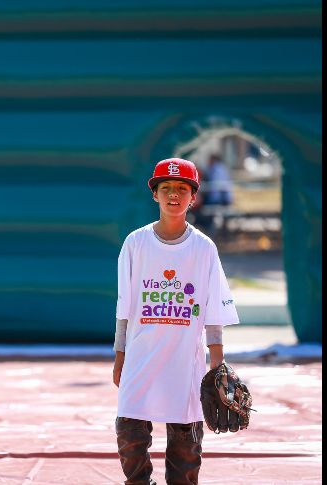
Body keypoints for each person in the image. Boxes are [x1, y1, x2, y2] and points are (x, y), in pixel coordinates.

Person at [111, 158, 239, 484]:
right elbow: (125, 309)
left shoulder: (203, 248)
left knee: (186, 447)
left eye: (182, 188)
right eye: (166, 188)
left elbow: (212, 315)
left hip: (186, 362)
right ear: (154, 194)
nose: (174, 195)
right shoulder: (136, 243)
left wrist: (218, 368)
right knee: (129, 434)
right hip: (140, 357)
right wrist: (120, 356)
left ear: (193, 196)